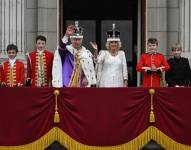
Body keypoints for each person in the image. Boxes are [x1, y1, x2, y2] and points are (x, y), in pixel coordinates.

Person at [52, 21, 96, 87]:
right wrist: (66, 35)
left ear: (82, 40)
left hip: (82, 85)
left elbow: (88, 69)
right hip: (67, 84)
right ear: (71, 40)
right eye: (75, 39)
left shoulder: (86, 53)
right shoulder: (67, 51)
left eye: (79, 39)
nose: (77, 42)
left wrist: (86, 78)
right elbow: (61, 47)